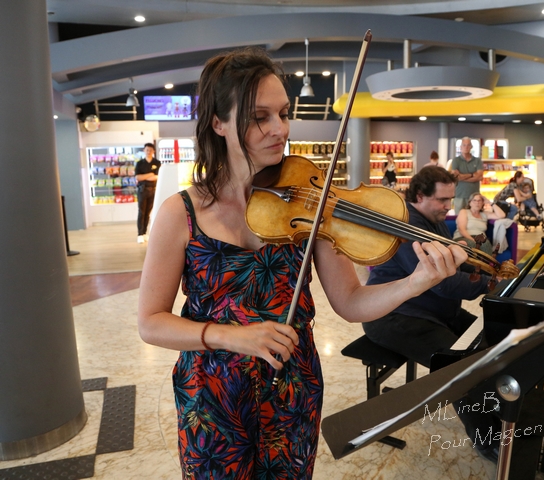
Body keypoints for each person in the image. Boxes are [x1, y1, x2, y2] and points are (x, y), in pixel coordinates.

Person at [136, 47, 467, 479]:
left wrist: (416, 281)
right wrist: (235, 337)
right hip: (212, 395)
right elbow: (151, 322)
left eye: (284, 113)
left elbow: (350, 302)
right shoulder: (181, 213)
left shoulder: (309, 206)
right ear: (218, 122)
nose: (280, 129)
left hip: (293, 387)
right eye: (260, 117)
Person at [362, 166, 500, 462]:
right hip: (392, 316)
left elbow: (454, 262)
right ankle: (489, 442)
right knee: (461, 369)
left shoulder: (433, 221)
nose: (448, 207)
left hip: (430, 311)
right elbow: (443, 283)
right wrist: (489, 283)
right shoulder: (407, 227)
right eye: (442, 200)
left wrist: (487, 269)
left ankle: (502, 413)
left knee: (490, 339)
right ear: (420, 195)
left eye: (451, 199)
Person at [453, 192, 506, 256]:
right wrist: (473, 240)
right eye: (474, 200)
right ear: (470, 202)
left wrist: (490, 203)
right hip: (463, 237)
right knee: (473, 245)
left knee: (486, 244)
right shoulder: (464, 211)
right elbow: (461, 229)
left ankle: (486, 265)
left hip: (481, 239)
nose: (477, 203)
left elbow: (502, 215)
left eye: (479, 200)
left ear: (483, 203)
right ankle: (474, 266)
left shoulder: (485, 214)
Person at [134, 142, 161, 243]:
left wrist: (144, 176)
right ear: (144, 151)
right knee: (141, 212)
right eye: (147, 150)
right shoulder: (140, 163)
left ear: (153, 151)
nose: (148, 151)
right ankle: (140, 233)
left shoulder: (157, 163)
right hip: (142, 190)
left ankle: (145, 233)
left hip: (153, 190)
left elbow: (157, 176)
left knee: (148, 213)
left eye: (150, 150)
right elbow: (137, 177)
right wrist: (150, 174)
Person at [450, 137, 483, 212]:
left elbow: (479, 176)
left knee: (473, 218)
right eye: (464, 145)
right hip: (459, 195)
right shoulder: (456, 160)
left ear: (471, 147)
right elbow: (456, 177)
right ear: (460, 147)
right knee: (459, 219)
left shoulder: (477, 161)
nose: (466, 147)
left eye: (468, 145)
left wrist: (462, 176)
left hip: (474, 197)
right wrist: (472, 174)